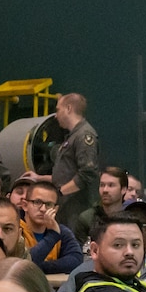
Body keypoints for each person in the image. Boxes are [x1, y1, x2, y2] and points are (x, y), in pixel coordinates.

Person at [49, 92, 99, 228]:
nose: (55, 115)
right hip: (68, 206)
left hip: (76, 209)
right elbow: (67, 172)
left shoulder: (84, 135)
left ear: (69, 109)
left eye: (58, 110)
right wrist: (40, 178)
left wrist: (59, 193)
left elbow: (87, 173)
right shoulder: (73, 136)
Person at [20, 180, 83, 272]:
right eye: (37, 202)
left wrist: (41, 266)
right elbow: (24, 263)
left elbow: (76, 260)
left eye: (49, 204)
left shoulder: (61, 231)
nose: (43, 209)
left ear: (55, 209)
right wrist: (52, 236)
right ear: (25, 205)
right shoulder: (15, 229)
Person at [73, 167, 127, 240]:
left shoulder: (131, 217)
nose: (105, 190)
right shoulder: (87, 219)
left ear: (123, 189)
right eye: (102, 185)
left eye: (111, 185)